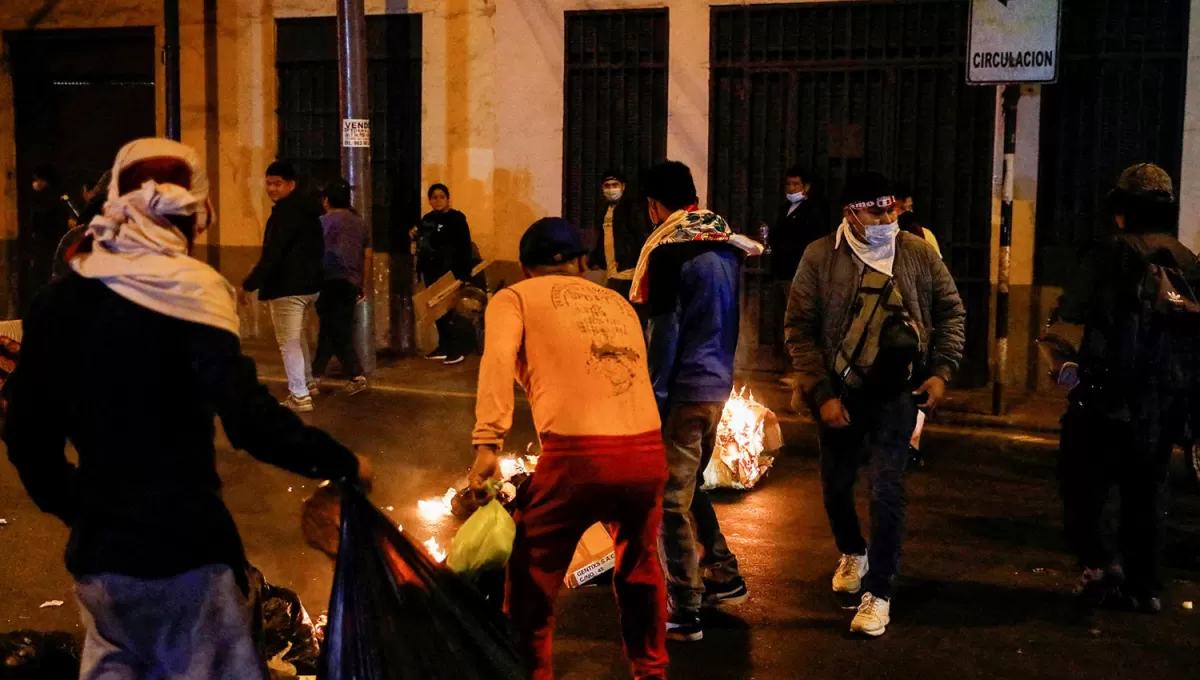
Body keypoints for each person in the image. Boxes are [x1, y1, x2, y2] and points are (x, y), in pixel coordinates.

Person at [2, 138, 372, 680]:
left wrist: (86, 511)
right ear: (192, 216)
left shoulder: (59, 301)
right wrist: (342, 463)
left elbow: (26, 436)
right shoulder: (192, 295)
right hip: (188, 556)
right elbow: (250, 421)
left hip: (101, 565)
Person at [468, 217, 668, 680]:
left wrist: (487, 442)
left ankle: (532, 674)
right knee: (640, 567)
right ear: (581, 262)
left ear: (523, 267)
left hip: (578, 458)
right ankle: (651, 672)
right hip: (646, 454)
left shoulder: (513, 297)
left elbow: (497, 360)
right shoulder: (617, 301)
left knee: (532, 575)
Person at [784, 171, 965, 637]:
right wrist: (821, 394)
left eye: (891, 209)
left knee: (888, 490)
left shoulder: (918, 253)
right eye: (877, 210)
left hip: (896, 396)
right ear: (852, 213)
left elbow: (950, 311)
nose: (887, 217)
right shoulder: (821, 256)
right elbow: (799, 328)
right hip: (840, 393)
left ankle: (879, 592)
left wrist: (941, 372)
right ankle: (852, 550)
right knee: (836, 486)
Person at [1052, 163, 1196, 615]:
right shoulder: (1188, 261)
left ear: (1123, 209)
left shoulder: (1107, 253)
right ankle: (1145, 586)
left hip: (1105, 395)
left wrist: (1067, 374)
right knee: (1147, 492)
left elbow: (1070, 318)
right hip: (1163, 403)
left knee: (1082, 484)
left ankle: (1099, 566)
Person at [632, 161, 761, 642]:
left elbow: (665, 333)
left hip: (683, 389)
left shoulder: (670, 253)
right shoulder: (724, 247)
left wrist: (654, 398)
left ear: (652, 206)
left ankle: (684, 609)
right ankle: (724, 574)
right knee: (689, 489)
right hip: (717, 384)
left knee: (667, 502)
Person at [243, 161, 325, 413]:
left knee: (288, 342)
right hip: (310, 285)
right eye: (268, 183)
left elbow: (273, 253)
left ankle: (299, 395)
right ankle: (308, 384)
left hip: (287, 287)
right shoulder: (310, 211)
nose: (271, 188)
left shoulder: (284, 214)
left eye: (277, 183)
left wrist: (251, 283)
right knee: (297, 336)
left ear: (291, 184)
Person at [312, 179, 369, 396]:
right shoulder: (360, 223)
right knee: (332, 329)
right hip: (350, 282)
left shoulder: (320, 223)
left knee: (335, 330)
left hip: (326, 280)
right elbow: (367, 256)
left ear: (326, 201)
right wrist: (363, 284)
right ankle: (315, 376)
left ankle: (355, 376)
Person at [411, 183, 474, 365]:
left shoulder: (456, 219)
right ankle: (444, 346)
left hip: (450, 271)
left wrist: (464, 273)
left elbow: (464, 246)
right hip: (432, 271)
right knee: (436, 310)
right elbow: (422, 244)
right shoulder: (427, 219)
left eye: (441, 197)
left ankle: (456, 349)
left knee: (449, 310)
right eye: (434, 197)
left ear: (448, 199)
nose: (438, 201)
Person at [588, 169, 653, 301]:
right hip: (612, 273)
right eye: (607, 186)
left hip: (628, 274)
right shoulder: (604, 210)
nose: (611, 189)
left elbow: (641, 237)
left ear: (623, 187)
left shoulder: (631, 209)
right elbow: (604, 239)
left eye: (615, 185)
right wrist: (595, 260)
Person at [21, 165, 72, 311]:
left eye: (38, 180)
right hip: (52, 250)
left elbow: (37, 227)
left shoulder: (45, 203)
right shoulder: (56, 201)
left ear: (46, 181)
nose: (35, 183)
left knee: (41, 286)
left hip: (45, 250)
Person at [769, 165, 828, 282]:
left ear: (806, 186)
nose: (791, 188)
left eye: (796, 184)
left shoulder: (813, 210)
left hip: (800, 269)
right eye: (788, 184)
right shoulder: (784, 208)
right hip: (781, 269)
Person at [894, 182, 942, 258]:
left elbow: (936, 266)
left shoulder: (924, 234)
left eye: (910, 207)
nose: (908, 212)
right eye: (901, 208)